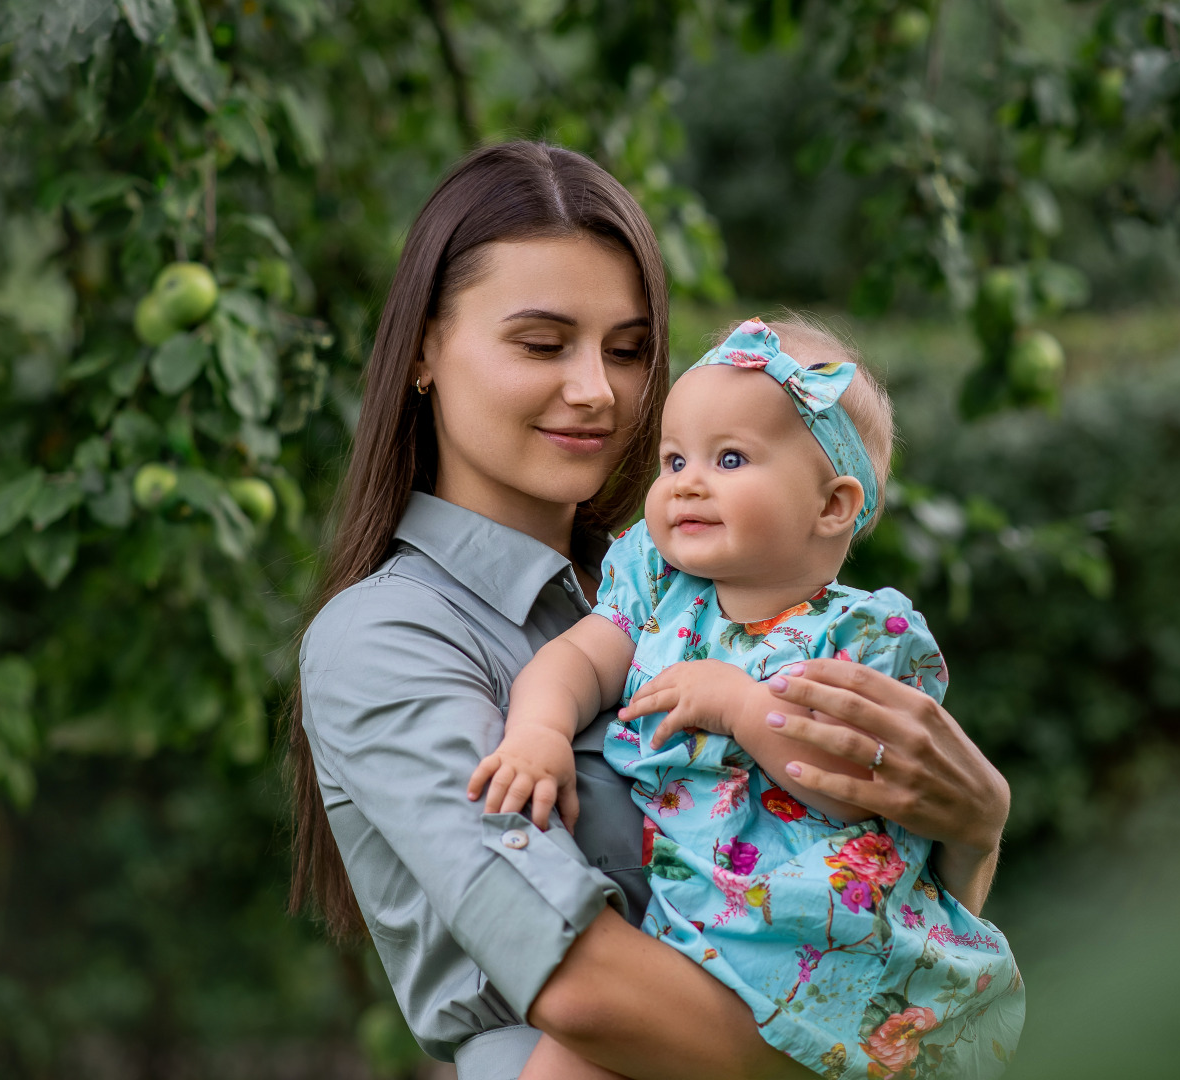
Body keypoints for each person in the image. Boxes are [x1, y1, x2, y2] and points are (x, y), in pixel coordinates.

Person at [289, 141, 1013, 1080]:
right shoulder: (389, 636)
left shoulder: (695, 591)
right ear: (424, 347)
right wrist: (882, 1061)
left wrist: (975, 826)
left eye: (628, 351)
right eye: (541, 343)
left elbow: (885, 913)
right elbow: (583, 991)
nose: (597, 390)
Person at [469, 315, 1023, 1080]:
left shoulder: (864, 638)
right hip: (687, 921)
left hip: (824, 935)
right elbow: (575, 660)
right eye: (673, 459)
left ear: (831, 507)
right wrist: (537, 731)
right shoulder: (659, 592)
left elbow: (856, 791)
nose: (686, 481)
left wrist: (742, 706)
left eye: (728, 458)